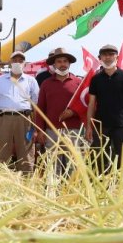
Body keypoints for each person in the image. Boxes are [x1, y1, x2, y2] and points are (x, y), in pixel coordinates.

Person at [84, 44, 123, 181]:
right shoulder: (95, 79)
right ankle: (99, 186)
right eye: (104, 55)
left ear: (117, 57)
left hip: (122, 125)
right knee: (98, 157)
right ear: (100, 58)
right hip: (100, 125)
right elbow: (91, 105)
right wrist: (89, 126)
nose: (108, 57)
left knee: (122, 157)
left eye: (111, 54)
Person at [0, 50, 40, 173]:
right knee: (1, 153)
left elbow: (36, 106)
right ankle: (0, 183)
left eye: (20, 61)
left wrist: (35, 128)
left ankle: (27, 182)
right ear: (10, 62)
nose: (17, 63)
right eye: (15, 60)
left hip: (25, 119)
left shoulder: (31, 81)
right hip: (3, 119)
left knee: (26, 154)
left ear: (25, 63)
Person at [35, 47, 82, 176]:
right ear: (54, 64)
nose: (62, 64)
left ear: (69, 63)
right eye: (59, 61)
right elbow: (40, 108)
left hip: (73, 131)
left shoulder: (78, 82)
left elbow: (85, 105)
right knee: (52, 165)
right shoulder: (45, 84)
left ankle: (72, 193)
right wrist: (40, 130)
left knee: (72, 165)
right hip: (51, 130)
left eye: (65, 61)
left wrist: (73, 112)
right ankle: (51, 193)